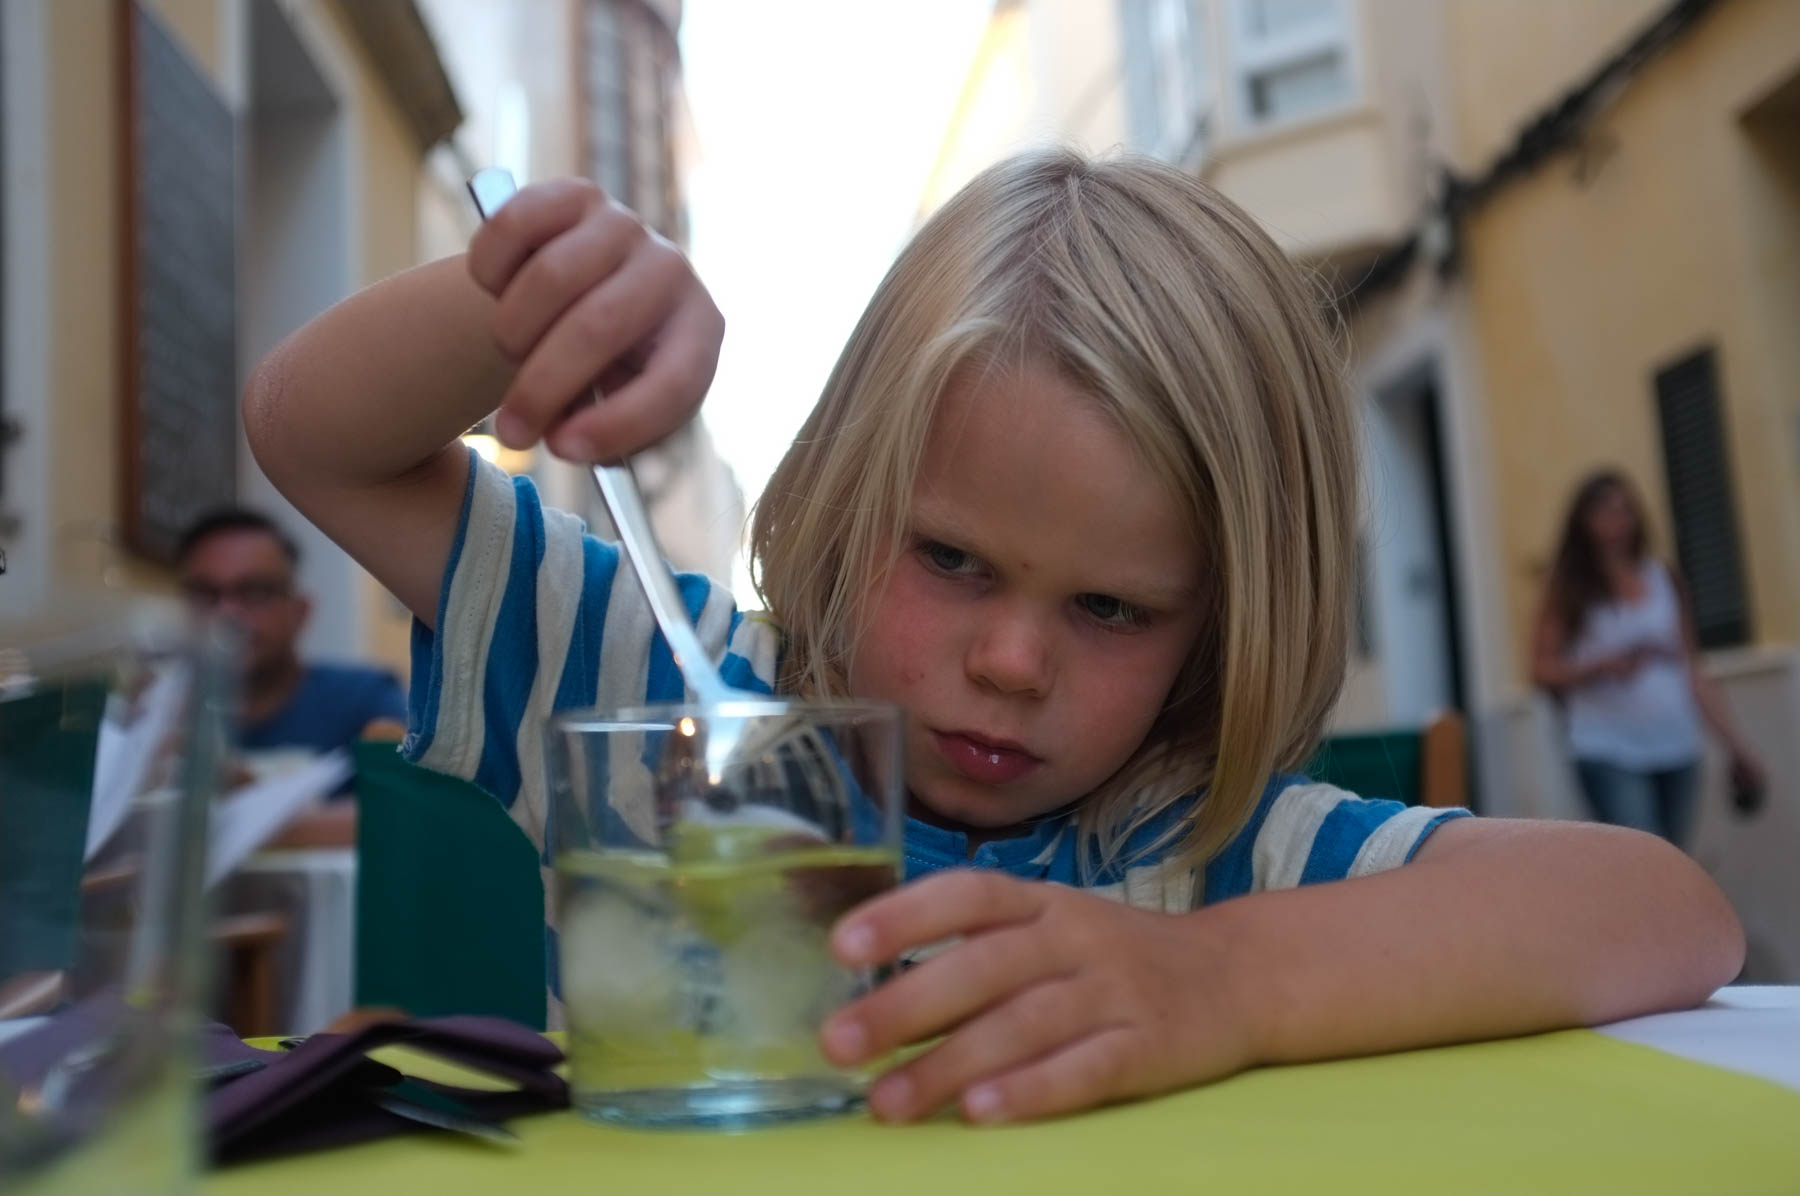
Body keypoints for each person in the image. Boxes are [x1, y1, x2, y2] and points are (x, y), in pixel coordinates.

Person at [243, 150, 1742, 1125]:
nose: (1015, 663)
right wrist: (531, 306)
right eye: (952, 558)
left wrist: (1222, 983)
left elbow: (1666, 910)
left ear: (1217, 628)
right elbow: (316, 438)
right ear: (844, 496)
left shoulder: (1205, 852)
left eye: (1112, 607)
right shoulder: (652, 692)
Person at [1531, 470, 1766, 845]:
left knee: (1673, 854)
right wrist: (1598, 667)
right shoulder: (1569, 588)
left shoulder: (1663, 578)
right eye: (1605, 510)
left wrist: (1736, 746)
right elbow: (1541, 669)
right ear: (1583, 520)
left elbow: (1693, 667)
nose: (1617, 519)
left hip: (1676, 745)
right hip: (1607, 748)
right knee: (1642, 849)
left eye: (1624, 509)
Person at [177, 509, 407, 843]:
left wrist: (244, 817)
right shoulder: (157, 717)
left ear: (300, 611)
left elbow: (414, 811)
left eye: (255, 592)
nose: (227, 614)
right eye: (205, 594)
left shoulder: (366, 697)